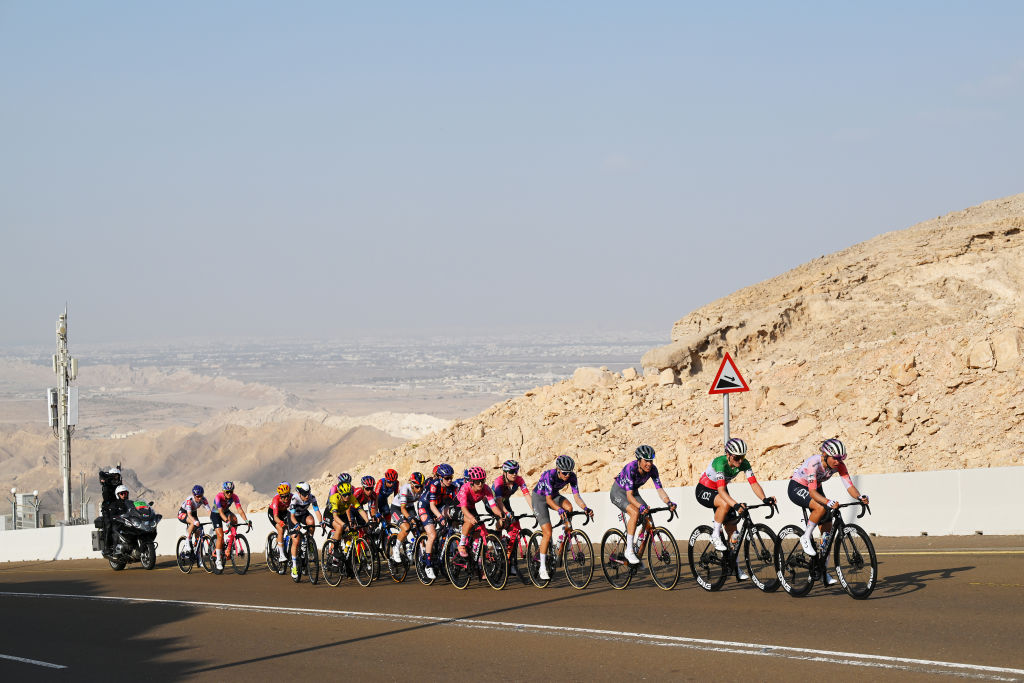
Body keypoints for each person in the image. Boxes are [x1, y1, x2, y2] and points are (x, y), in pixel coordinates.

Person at [789, 439, 869, 585]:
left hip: (815, 487)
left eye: (841, 459)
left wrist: (859, 496)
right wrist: (828, 502)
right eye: (836, 458)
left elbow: (849, 485)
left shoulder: (839, 465)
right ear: (825, 455)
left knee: (827, 530)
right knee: (820, 508)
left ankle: (822, 571)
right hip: (798, 486)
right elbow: (812, 493)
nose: (838, 462)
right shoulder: (814, 463)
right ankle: (806, 537)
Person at [695, 438, 773, 580]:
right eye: (737, 457)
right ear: (728, 454)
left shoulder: (744, 463)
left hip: (721, 492)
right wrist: (736, 505)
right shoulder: (720, 463)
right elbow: (721, 491)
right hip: (704, 490)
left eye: (742, 457)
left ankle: (734, 567)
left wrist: (764, 499)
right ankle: (715, 534)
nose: (740, 461)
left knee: (733, 533)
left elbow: (753, 483)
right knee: (726, 504)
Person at [611, 445, 677, 565]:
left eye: (651, 460)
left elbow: (660, 489)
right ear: (639, 460)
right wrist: (639, 507)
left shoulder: (653, 470)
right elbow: (629, 496)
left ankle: (638, 556)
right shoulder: (631, 468)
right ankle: (629, 550)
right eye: (646, 461)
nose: (649, 464)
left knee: (647, 517)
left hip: (633, 492)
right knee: (635, 512)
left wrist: (668, 502)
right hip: (619, 492)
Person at [531, 455, 593, 581]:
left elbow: (576, 497)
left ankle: (562, 539)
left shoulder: (572, 477)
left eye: (569, 473)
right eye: (564, 473)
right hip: (540, 498)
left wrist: (585, 508)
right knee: (547, 532)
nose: (567, 476)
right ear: (558, 470)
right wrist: (558, 509)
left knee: (569, 508)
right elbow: (548, 500)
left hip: (553, 495)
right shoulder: (549, 475)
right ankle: (542, 567)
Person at [492, 459, 534, 576]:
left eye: (516, 471)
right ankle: (497, 539)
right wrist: (506, 514)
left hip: (505, 501)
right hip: (493, 503)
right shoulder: (499, 482)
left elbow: (527, 496)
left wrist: (535, 510)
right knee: (502, 519)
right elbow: (499, 502)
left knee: (513, 532)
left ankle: (511, 563)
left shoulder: (519, 480)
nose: (514, 473)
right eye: (511, 471)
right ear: (505, 472)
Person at [455, 466, 508, 558]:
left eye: (482, 481)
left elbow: (493, 506)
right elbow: (463, 508)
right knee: (469, 521)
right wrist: (471, 518)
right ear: (472, 481)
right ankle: (462, 544)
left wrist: (500, 514)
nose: (480, 484)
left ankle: (476, 554)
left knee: (479, 529)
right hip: (459, 506)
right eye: (477, 481)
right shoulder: (465, 488)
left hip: (471, 507)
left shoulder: (486, 489)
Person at [415, 463, 456, 580]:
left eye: (451, 478)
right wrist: (440, 517)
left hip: (438, 505)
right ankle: (428, 565)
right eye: (447, 478)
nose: (449, 480)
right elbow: (432, 506)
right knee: (432, 535)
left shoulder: (451, 486)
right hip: (426, 507)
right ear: (440, 477)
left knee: (452, 513)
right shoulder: (434, 485)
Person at [211, 481, 250, 571]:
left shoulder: (235, 497)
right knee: (220, 535)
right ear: (223, 491)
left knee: (235, 519)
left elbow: (239, 509)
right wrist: (227, 521)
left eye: (231, 491)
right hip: (216, 514)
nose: (229, 494)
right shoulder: (218, 497)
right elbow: (220, 512)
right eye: (227, 492)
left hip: (225, 512)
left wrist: (246, 520)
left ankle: (230, 543)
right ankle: (218, 560)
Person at [288, 481, 323, 579]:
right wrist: (296, 524)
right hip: (293, 517)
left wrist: (321, 522)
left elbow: (317, 511)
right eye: (304, 494)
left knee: (311, 522)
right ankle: (294, 566)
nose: (307, 496)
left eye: (308, 493)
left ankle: (309, 540)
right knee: (296, 540)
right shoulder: (295, 499)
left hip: (303, 514)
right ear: (299, 493)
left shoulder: (312, 497)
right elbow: (292, 516)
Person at [325, 482, 369, 556]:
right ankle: (334, 550)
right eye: (345, 495)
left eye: (349, 494)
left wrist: (367, 521)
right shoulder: (334, 498)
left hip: (341, 514)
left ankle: (346, 556)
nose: (347, 497)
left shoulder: (351, 497)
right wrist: (344, 525)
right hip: (330, 515)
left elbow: (360, 510)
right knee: (339, 527)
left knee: (349, 534)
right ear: (340, 493)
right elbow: (335, 517)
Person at [390, 472, 424, 563]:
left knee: (419, 527)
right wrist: (410, 518)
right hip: (397, 508)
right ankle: (396, 548)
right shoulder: (405, 489)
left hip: (410, 507)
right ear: (412, 485)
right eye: (417, 487)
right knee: (406, 527)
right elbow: (402, 508)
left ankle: (416, 549)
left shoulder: (421, 490)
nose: (420, 489)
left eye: (421, 486)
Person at [177, 485, 212, 558]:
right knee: (193, 522)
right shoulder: (189, 500)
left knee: (199, 531)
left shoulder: (203, 499)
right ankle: (187, 540)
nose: (199, 498)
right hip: (183, 512)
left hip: (193, 513)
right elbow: (189, 514)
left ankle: (197, 553)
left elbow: (209, 511)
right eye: (197, 496)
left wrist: (213, 519)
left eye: (201, 496)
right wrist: (195, 522)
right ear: (194, 495)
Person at [98, 466, 123, 556]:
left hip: (118, 508)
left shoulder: (119, 485)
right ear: (112, 476)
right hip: (107, 509)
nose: (117, 478)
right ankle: (106, 547)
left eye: (118, 476)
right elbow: (106, 497)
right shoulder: (107, 486)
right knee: (109, 525)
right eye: (116, 476)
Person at [267, 482, 292, 563]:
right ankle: (281, 555)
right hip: (274, 513)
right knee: (280, 529)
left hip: (284, 511)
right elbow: (276, 517)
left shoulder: (292, 497)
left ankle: (285, 544)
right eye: (283, 497)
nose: (286, 499)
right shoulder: (276, 499)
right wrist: (281, 523)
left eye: (287, 496)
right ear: (280, 496)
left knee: (290, 527)